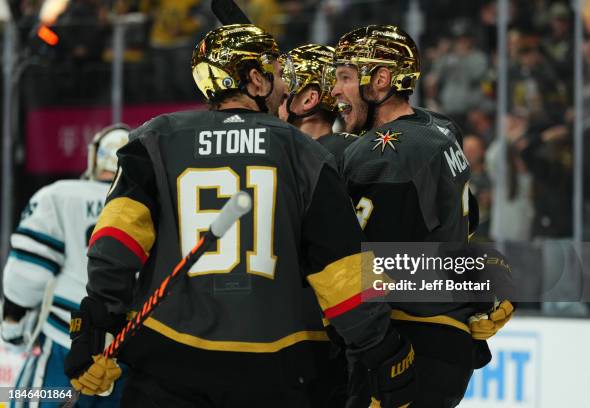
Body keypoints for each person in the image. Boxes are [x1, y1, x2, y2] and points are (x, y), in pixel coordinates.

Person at [64, 24, 415, 408]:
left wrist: (95, 324)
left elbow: (116, 243)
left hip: (168, 360)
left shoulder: (155, 139)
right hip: (275, 367)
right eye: (279, 75)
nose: (284, 88)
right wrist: (382, 347)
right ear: (255, 80)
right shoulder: (305, 153)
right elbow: (342, 273)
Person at [331, 25, 514, 407]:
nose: (335, 90)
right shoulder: (440, 127)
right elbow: (465, 228)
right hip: (450, 340)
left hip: (407, 343)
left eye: (345, 77)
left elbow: (367, 268)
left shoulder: (382, 153)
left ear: (380, 80)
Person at [1, 124, 130, 407]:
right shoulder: (149, 205)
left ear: (96, 157)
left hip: (66, 342)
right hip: (129, 352)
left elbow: (24, 279)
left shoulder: (60, 195)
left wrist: (11, 328)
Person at [278, 43, 357, 168]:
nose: (274, 101)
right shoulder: (354, 150)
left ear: (309, 100)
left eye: (283, 96)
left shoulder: (281, 151)